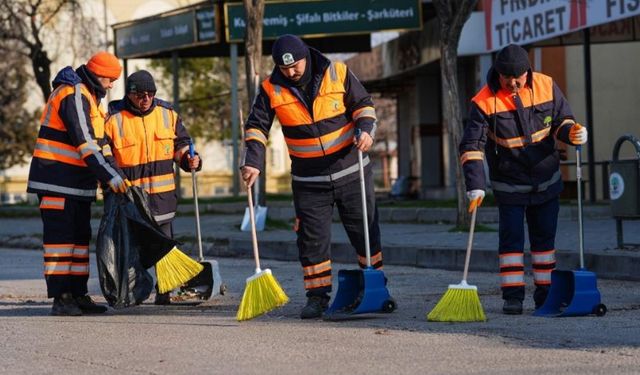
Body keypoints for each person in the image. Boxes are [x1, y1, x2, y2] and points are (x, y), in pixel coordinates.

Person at [241, 34, 388, 319]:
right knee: (312, 240)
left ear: (306, 57)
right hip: (309, 181)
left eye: (295, 65)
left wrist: (366, 129)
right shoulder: (271, 89)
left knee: (365, 232)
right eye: (285, 69)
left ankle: (376, 286)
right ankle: (317, 297)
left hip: (351, 169)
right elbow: (256, 128)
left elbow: (364, 105)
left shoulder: (338, 72)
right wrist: (253, 162)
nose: (291, 72)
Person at [459, 44, 588, 314]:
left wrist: (573, 132)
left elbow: (562, 120)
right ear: (498, 75)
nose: (514, 83)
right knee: (512, 242)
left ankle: (546, 295)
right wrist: (475, 185)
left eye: (519, 77)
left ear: (527, 72)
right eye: (508, 79)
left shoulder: (546, 85)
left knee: (544, 243)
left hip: (546, 178)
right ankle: (513, 297)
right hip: (509, 183)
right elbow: (471, 145)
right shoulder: (483, 102)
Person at [27, 51, 128, 316]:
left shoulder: (91, 99)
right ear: (100, 75)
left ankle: (78, 294)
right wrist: (109, 176)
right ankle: (61, 297)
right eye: (111, 79)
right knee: (60, 241)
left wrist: (116, 174)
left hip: (76, 184)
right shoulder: (73, 94)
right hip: (56, 181)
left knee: (80, 239)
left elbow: (102, 144)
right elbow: (85, 142)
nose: (112, 85)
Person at [103, 70, 201, 305]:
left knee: (164, 248)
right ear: (130, 94)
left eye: (150, 94)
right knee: (130, 249)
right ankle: (129, 293)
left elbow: (182, 144)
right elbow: (105, 155)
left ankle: (165, 291)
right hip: (131, 201)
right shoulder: (113, 118)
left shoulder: (168, 113)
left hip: (162, 198)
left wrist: (189, 160)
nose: (146, 98)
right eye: (140, 94)